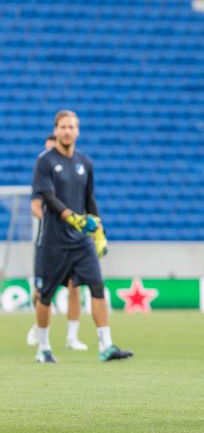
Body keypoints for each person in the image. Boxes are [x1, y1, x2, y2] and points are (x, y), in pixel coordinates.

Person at [31, 110, 132, 363]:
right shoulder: (45, 161)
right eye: (63, 127)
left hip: (80, 242)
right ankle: (43, 347)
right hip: (53, 242)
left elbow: (89, 200)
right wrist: (73, 218)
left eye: (71, 127)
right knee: (45, 295)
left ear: (77, 131)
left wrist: (99, 232)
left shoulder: (85, 162)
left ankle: (106, 346)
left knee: (97, 287)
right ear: (55, 130)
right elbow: (48, 198)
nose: (67, 131)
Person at [27, 134, 87, 351]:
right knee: (41, 291)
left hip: (72, 240)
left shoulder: (74, 176)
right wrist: (51, 218)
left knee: (74, 287)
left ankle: (72, 337)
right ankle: (39, 324)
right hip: (48, 242)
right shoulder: (41, 176)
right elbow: (35, 205)